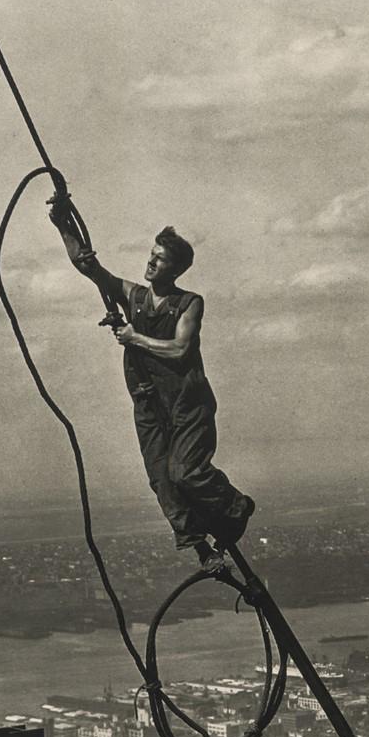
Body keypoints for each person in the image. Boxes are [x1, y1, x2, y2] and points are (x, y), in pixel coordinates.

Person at [50, 203, 255, 565]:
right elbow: (90, 268)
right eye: (151, 255)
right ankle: (201, 549)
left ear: (175, 269)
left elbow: (180, 349)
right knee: (162, 479)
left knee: (186, 473)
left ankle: (235, 506)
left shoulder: (189, 303)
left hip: (187, 403)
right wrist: (63, 225)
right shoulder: (135, 298)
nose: (151, 263)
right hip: (148, 402)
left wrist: (134, 338)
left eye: (160, 259)